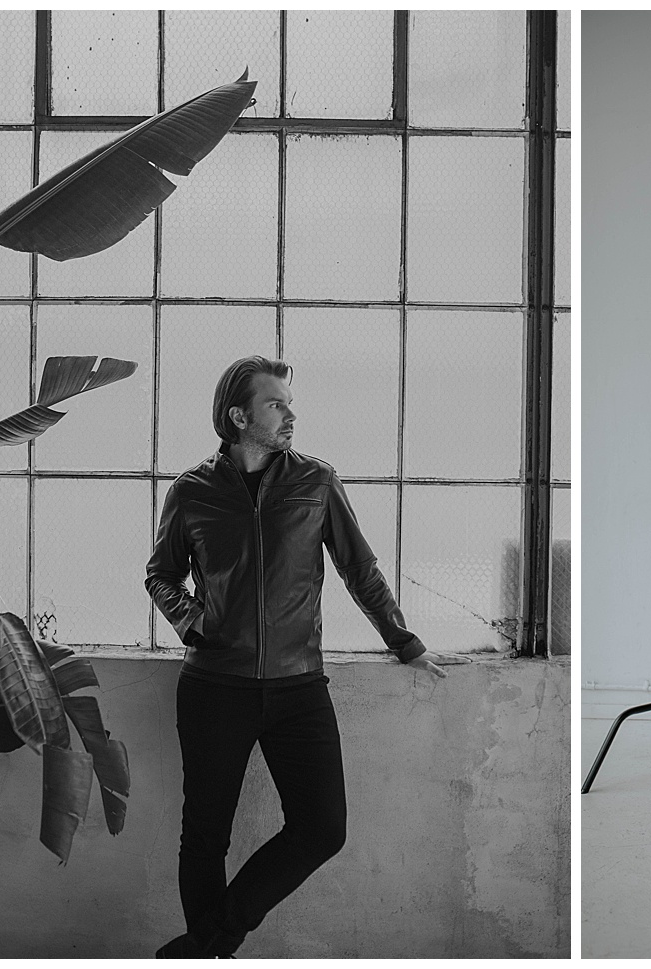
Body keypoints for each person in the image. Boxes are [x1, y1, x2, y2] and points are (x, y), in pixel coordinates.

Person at [147, 355, 465, 958]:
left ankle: (205, 942)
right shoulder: (192, 490)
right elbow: (161, 575)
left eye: (290, 402)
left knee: (322, 828)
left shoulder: (315, 482)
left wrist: (406, 643)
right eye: (277, 404)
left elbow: (359, 568)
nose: (291, 414)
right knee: (204, 836)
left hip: (298, 689)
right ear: (239, 416)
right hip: (215, 687)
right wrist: (191, 620)